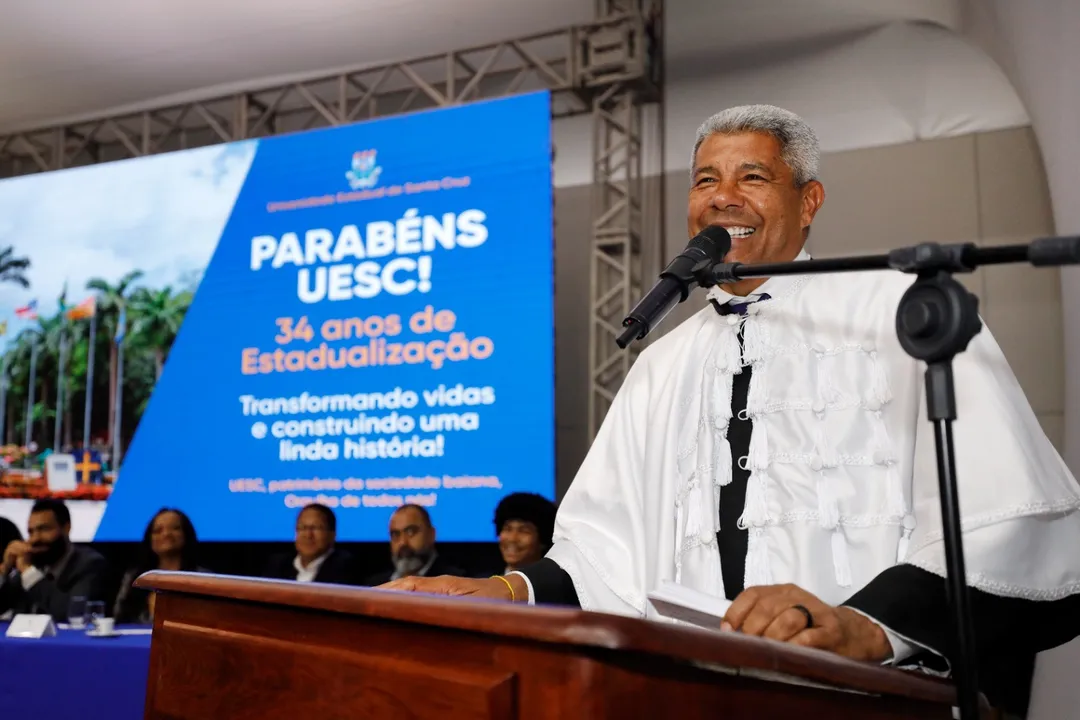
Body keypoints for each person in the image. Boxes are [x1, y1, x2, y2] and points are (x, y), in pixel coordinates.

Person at [380, 104, 1080, 716]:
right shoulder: (661, 365)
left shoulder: (901, 314)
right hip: (697, 702)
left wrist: (866, 626)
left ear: (809, 201)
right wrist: (506, 589)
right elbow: (604, 552)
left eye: (752, 177)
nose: (724, 198)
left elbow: (1002, 523)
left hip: (869, 702)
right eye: (706, 181)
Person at [0, 498, 109, 621]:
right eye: (31, 532)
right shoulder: (33, 564)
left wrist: (29, 572)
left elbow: (72, 615)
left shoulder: (90, 564)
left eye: (44, 529)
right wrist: (4, 570)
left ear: (66, 528)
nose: (35, 539)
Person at [114, 508, 205, 623]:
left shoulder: (203, 579)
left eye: (175, 528)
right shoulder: (135, 577)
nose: (166, 534)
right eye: (158, 530)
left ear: (186, 534)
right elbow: (119, 618)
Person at [365, 504, 465, 585]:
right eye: (395, 534)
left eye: (410, 532)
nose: (402, 542)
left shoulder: (457, 582)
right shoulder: (375, 585)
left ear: (432, 534)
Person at [265, 504, 359, 585]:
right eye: (302, 527)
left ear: (332, 534)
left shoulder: (346, 568)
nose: (308, 535)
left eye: (316, 528)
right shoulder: (278, 565)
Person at [493, 492, 557, 574]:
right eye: (508, 529)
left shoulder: (558, 585)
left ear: (543, 539)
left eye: (523, 531)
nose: (512, 539)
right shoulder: (484, 583)